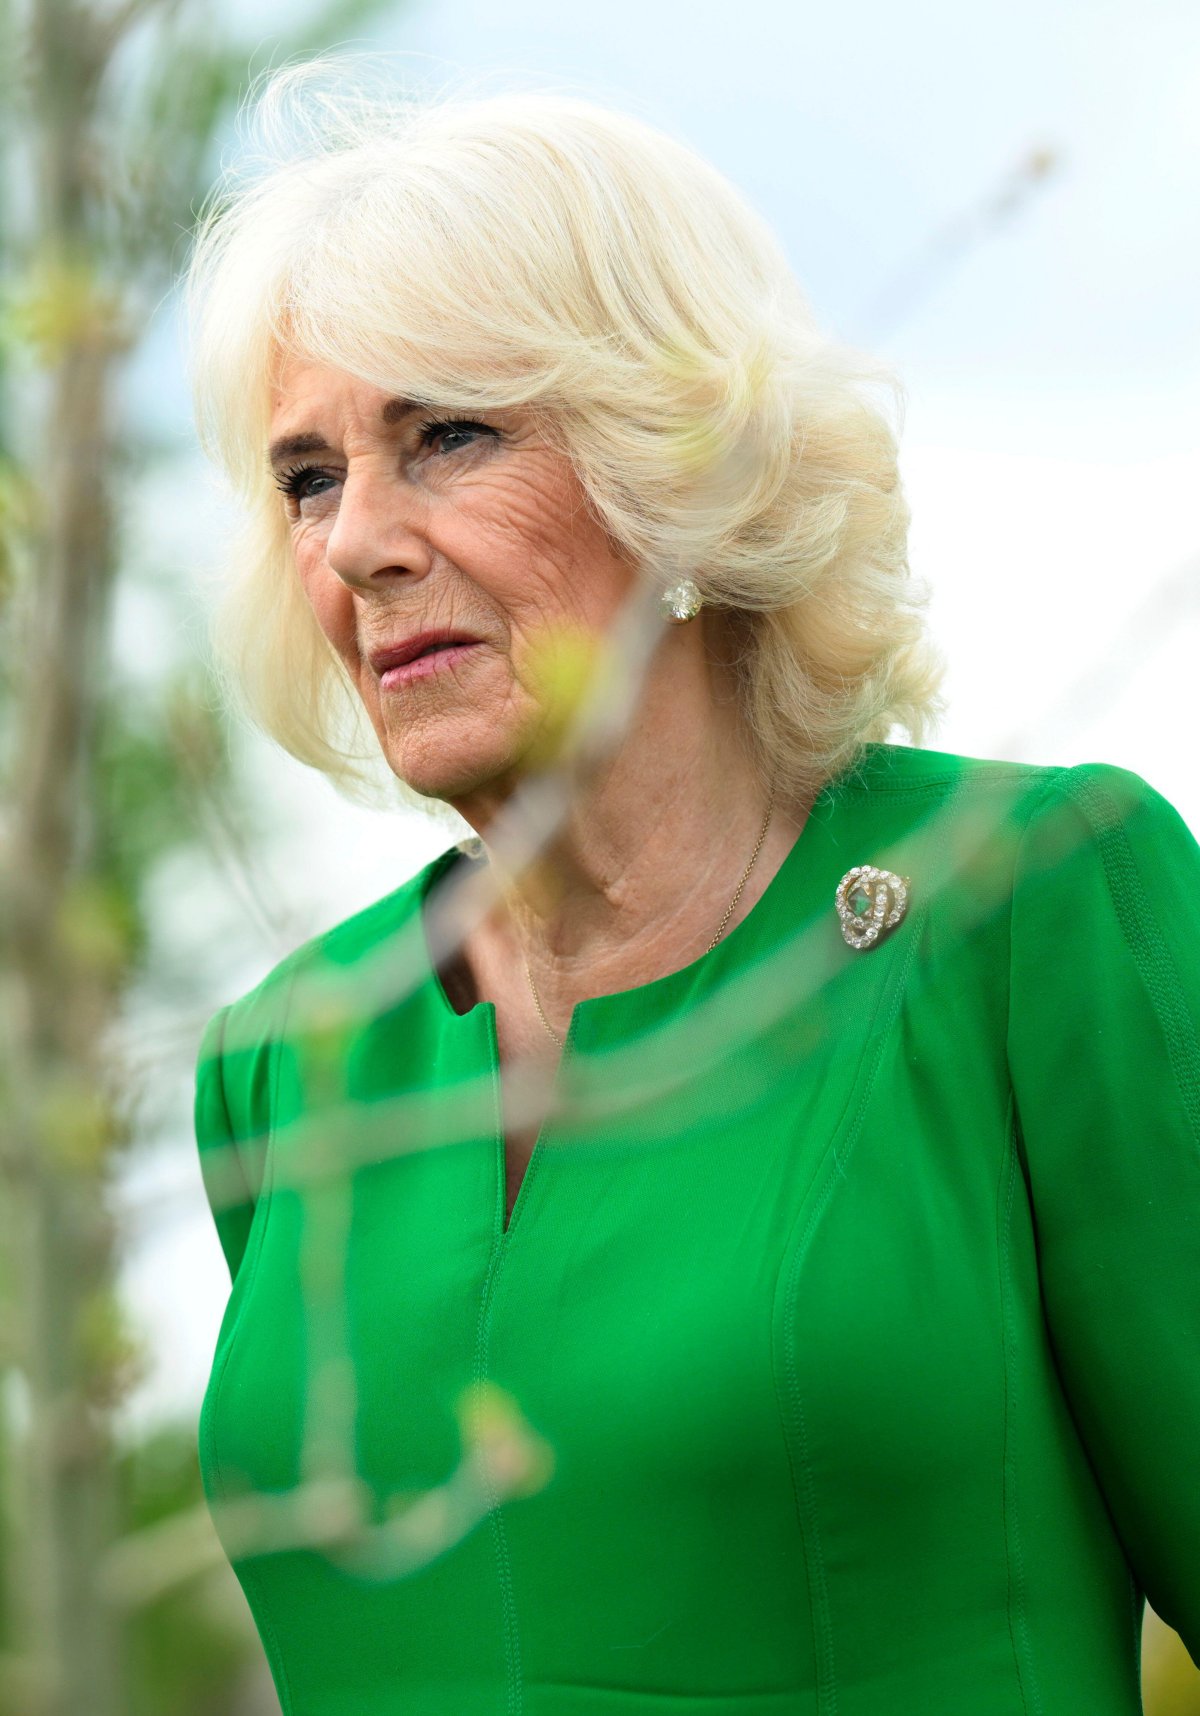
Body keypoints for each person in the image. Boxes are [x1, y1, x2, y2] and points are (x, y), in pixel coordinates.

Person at [187, 61, 1200, 1716]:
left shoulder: (1030, 906)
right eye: (309, 476)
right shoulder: (285, 1061)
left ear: (685, 458)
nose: (358, 539)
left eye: (447, 434)